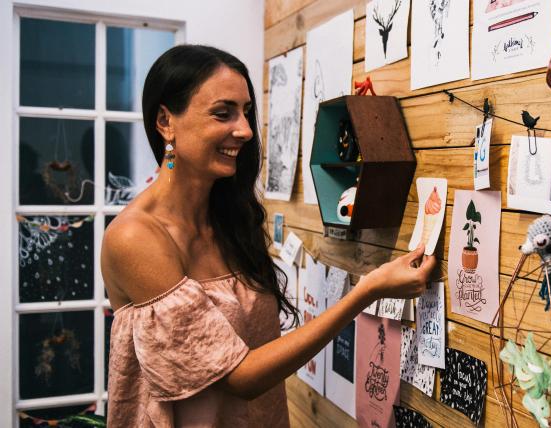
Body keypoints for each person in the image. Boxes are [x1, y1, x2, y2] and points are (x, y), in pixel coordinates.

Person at [100, 45, 435, 427]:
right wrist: (367, 290)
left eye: (246, 113)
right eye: (222, 113)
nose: (243, 130)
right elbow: (241, 377)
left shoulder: (229, 221)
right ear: (165, 121)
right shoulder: (134, 238)